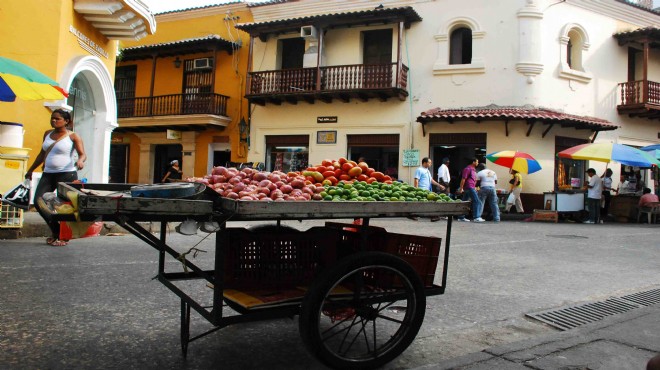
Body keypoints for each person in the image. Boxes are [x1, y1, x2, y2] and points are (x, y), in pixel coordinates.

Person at [25, 109, 86, 247]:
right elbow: (42, 153)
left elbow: (82, 154)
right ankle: (56, 230)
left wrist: (80, 161)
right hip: (48, 173)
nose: (53, 120)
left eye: (57, 119)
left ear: (66, 121)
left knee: (64, 208)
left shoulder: (73, 136)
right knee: (38, 202)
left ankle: (63, 236)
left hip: (67, 174)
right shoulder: (47, 134)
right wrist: (31, 169)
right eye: (52, 118)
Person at [411, 157, 444, 222]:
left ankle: (414, 214)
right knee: (428, 203)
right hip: (422, 190)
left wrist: (439, 185)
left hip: (428, 190)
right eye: (429, 162)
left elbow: (431, 180)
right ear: (424, 163)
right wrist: (416, 190)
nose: (430, 164)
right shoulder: (419, 170)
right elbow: (416, 180)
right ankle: (434, 216)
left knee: (427, 203)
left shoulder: (427, 171)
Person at [456, 158, 483, 222]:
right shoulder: (467, 169)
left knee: (464, 202)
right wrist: (461, 188)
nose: (477, 163)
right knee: (477, 201)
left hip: (471, 187)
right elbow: (463, 179)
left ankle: (461, 217)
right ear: (473, 162)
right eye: (477, 162)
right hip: (469, 187)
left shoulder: (473, 170)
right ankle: (476, 217)